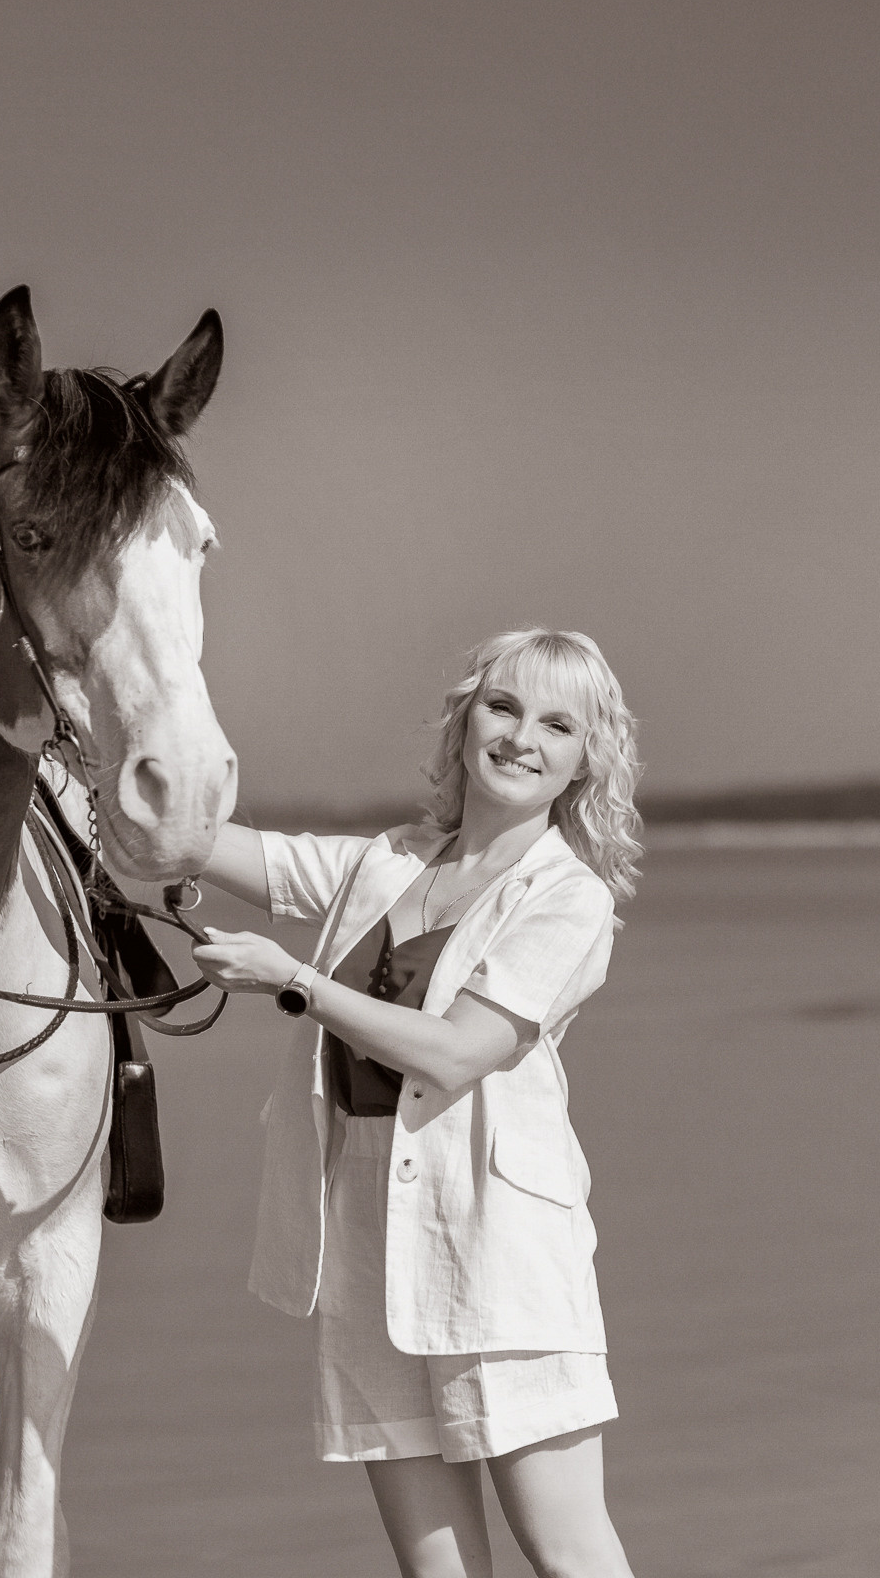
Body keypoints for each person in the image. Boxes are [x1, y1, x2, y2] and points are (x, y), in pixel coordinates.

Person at [190, 627, 644, 1578]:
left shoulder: (569, 898)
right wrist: (75, 770)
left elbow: (454, 1054)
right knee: (437, 1571)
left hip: (497, 1251)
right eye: (504, 707)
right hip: (364, 1241)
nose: (522, 737)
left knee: (567, 1552)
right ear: (466, 718)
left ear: (584, 762)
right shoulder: (389, 861)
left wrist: (297, 983)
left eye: (557, 725)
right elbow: (211, 846)